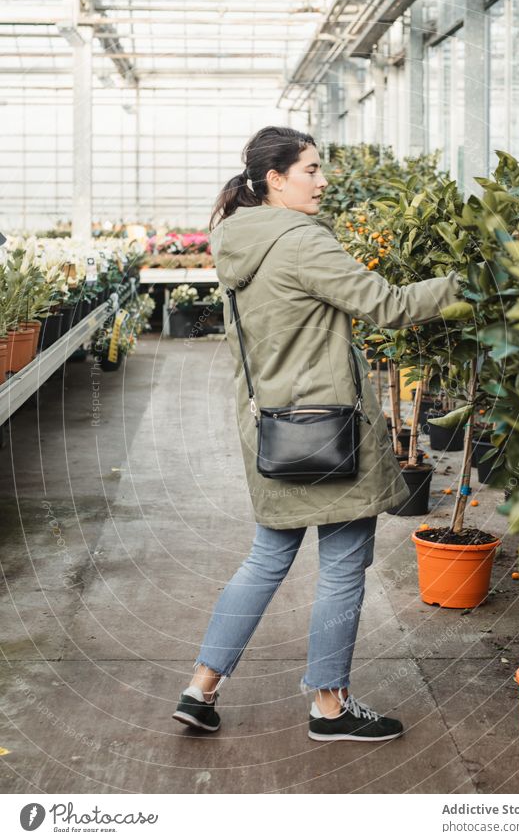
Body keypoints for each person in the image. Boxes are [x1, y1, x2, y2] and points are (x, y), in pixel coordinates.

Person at [172, 126, 462, 742]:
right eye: (311, 169)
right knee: (342, 568)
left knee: (264, 561)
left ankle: (200, 688)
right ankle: (329, 709)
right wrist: (473, 286)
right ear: (276, 179)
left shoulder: (235, 243)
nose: (323, 180)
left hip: (272, 430)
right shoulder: (301, 242)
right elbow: (389, 305)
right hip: (330, 435)